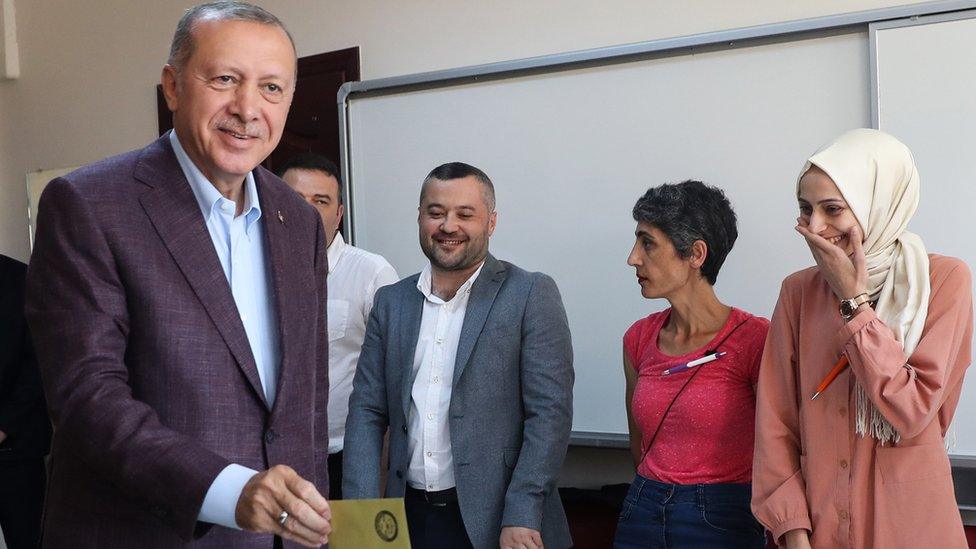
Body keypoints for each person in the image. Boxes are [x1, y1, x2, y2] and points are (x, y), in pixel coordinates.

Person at [25, 3, 332, 547]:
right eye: (225, 79)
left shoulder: (299, 221)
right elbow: (87, 398)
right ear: (172, 87)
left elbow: (303, 406)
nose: (247, 109)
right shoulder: (89, 205)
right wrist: (228, 490)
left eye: (271, 88)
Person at [752, 128, 973, 548]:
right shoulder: (798, 292)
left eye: (832, 209)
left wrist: (853, 302)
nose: (815, 227)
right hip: (818, 532)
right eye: (805, 209)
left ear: (878, 203)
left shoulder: (945, 280)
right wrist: (792, 531)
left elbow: (912, 410)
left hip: (912, 530)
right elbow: (776, 424)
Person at [342, 162, 574, 549]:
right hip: (409, 516)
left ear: (491, 222)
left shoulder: (530, 293)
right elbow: (366, 411)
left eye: (465, 214)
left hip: (502, 523)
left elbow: (549, 415)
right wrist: (361, 519)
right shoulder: (391, 302)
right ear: (420, 218)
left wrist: (521, 512)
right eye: (436, 213)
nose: (448, 226)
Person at [613, 181, 769, 548]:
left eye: (647, 242)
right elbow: (640, 445)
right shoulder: (638, 338)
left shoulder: (755, 339)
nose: (633, 257)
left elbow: (779, 448)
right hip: (642, 509)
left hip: (723, 517)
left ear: (696, 254)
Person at [278, 153, 399, 499]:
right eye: (296, 199)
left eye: (321, 201)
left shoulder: (372, 274)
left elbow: (395, 375)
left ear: (340, 213)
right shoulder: (249, 268)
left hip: (346, 455)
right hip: (273, 458)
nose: (308, 211)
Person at [0, 254, 52, 549]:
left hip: (16, 450)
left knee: (30, 541)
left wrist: (4, 426)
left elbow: (39, 364)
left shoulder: (21, 278)